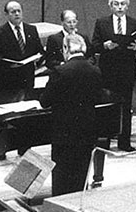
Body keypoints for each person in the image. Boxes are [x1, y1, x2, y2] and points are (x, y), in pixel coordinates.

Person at [40, 34, 103, 198]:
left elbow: (45, 101)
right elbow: (98, 98)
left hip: (64, 134)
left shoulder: (60, 71)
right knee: (80, 175)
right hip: (87, 132)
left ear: (65, 49)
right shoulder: (95, 71)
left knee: (62, 179)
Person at [92, 0, 136, 152]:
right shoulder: (102, 23)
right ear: (111, 6)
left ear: (127, 6)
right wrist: (105, 45)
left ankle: (125, 142)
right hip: (108, 71)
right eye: (116, 4)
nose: (120, 7)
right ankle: (105, 143)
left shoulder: (135, 23)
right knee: (106, 107)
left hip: (126, 71)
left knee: (126, 107)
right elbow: (94, 45)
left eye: (123, 4)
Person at [0, 1, 44, 95]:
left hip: (27, 78)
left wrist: (38, 59)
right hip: (9, 79)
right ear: (6, 14)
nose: (17, 14)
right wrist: (9, 64)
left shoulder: (31, 30)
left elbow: (40, 50)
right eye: (13, 12)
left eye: (19, 11)